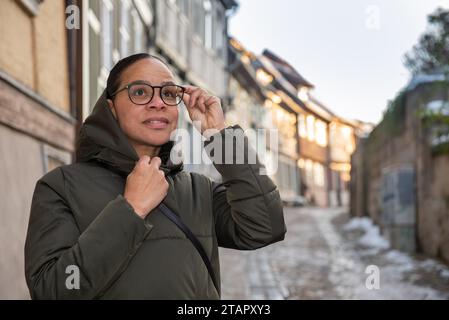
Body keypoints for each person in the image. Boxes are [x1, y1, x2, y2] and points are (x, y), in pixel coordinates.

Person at [24, 53, 286, 299]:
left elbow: (264, 228)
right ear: (111, 107)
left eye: (169, 94)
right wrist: (130, 210)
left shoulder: (198, 189)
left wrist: (218, 135)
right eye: (140, 92)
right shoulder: (61, 186)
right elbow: (52, 290)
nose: (158, 103)